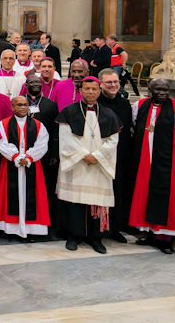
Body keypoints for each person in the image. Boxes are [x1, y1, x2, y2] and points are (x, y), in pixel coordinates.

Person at [129, 79, 175, 254]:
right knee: (144, 195)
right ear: (150, 90)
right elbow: (133, 129)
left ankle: (165, 238)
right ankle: (147, 233)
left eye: (166, 90)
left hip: (169, 163)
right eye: (158, 89)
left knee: (169, 198)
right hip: (144, 160)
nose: (163, 93)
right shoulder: (139, 106)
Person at [56, 76, 120, 253]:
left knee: (96, 203)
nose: (90, 92)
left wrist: (97, 156)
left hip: (98, 166)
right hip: (77, 164)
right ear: (81, 91)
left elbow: (114, 140)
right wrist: (84, 155)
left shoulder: (109, 114)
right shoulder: (69, 112)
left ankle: (95, 238)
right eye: (87, 89)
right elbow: (65, 138)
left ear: (99, 91)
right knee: (74, 202)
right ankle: (73, 236)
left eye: (94, 89)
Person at [0, 96, 50, 239]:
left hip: (32, 166)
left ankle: (33, 229)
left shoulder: (38, 125)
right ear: (12, 107)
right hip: (10, 166)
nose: (23, 107)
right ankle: (11, 229)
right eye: (19, 105)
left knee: (33, 197)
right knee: (10, 196)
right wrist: (16, 157)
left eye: (25, 105)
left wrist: (29, 157)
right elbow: (1, 144)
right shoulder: (3, 124)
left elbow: (42, 144)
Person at [97, 68, 134, 242]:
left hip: (121, 155)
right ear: (101, 84)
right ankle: (100, 228)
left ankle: (116, 227)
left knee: (119, 191)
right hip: (100, 155)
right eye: (109, 82)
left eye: (116, 82)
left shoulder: (125, 104)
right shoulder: (96, 104)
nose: (113, 85)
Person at [23, 75, 60, 229]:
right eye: (31, 82)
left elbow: (55, 131)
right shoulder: (20, 102)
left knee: (44, 186)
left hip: (44, 154)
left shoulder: (50, 105)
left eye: (38, 82)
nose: (35, 84)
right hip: (23, 153)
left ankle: (44, 219)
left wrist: (54, 154)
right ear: (26, 85)